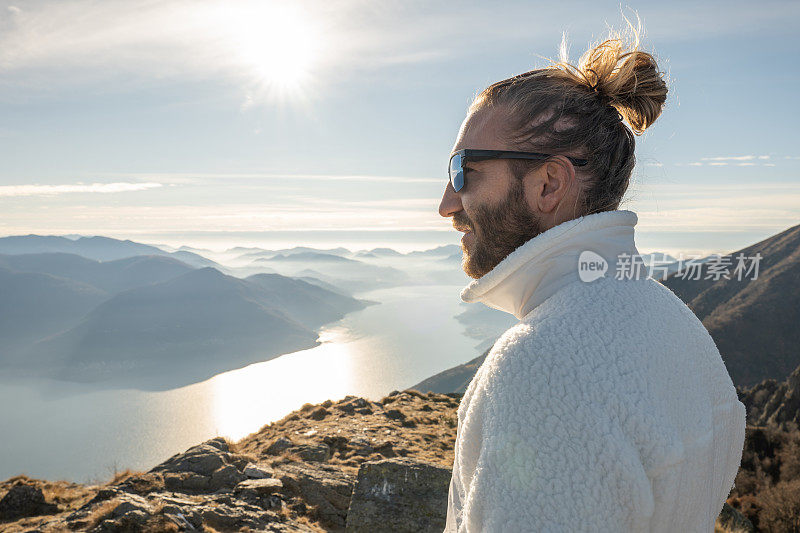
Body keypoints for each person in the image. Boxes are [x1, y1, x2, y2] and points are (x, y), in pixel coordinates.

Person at [437, 22, 747, 533]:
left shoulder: (542, 365)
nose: (447, 203)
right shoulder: (672, 321)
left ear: (548, 184)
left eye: (462, 171)